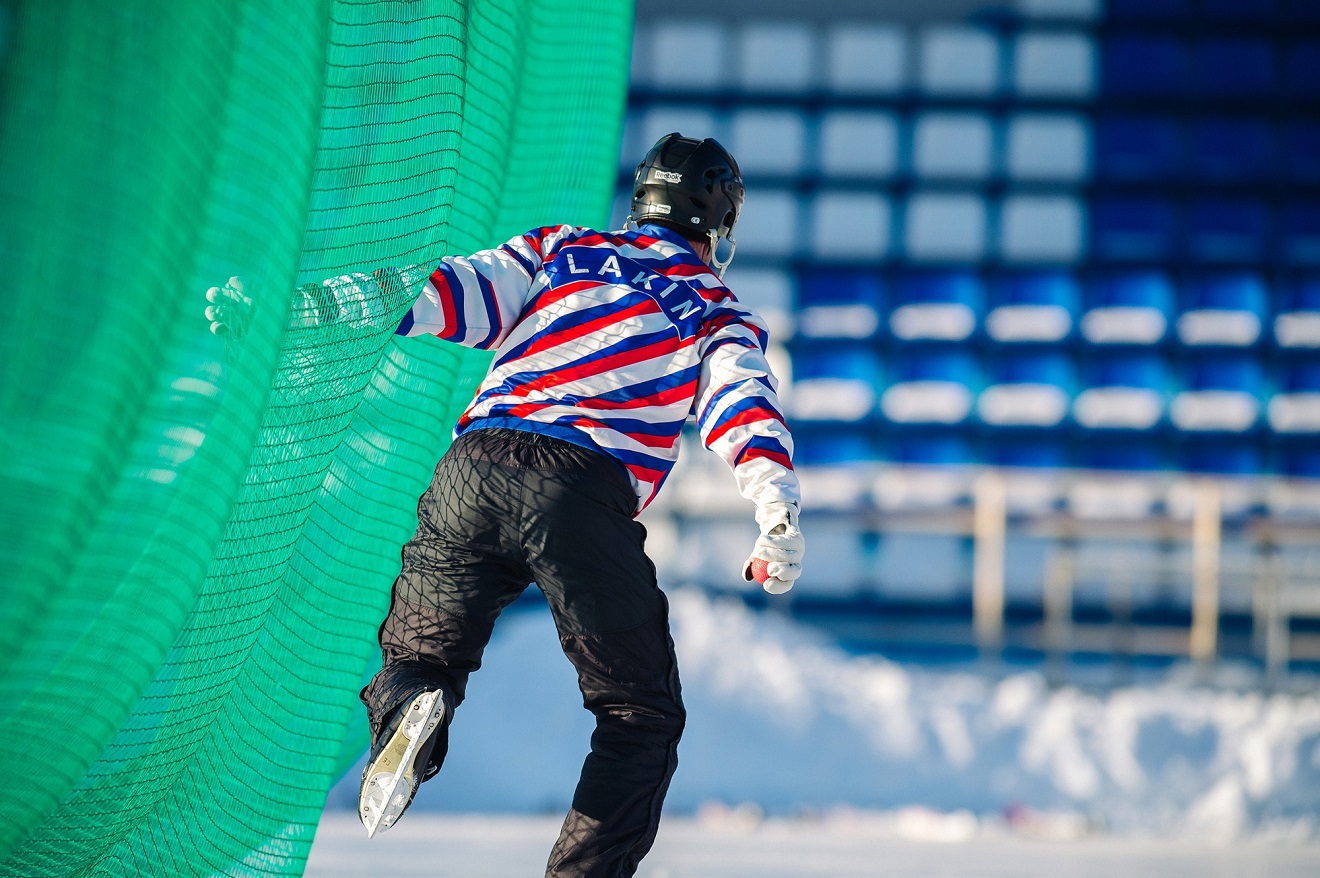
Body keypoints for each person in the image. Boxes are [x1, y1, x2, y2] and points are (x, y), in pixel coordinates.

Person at [206, 133, 804, 878]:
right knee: (638, 715)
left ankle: (413, 704)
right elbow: (742, 403)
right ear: (716, 223)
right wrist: (775, 511)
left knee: (421, 650)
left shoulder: (561, 247)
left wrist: (293, 309)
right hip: (582, 489)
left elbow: (432, 292)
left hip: (474, 465)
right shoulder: (715, 307)